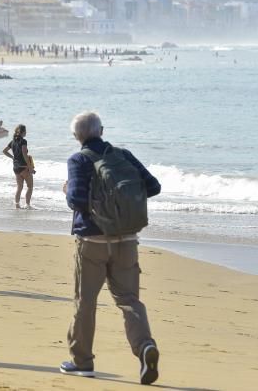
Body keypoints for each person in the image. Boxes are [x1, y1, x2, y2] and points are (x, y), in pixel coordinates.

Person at [60, 111, 161, 384]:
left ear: (76, 136)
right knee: (129, 301)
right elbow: (153, 187)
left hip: (92, 241)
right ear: (101, 130)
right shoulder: (124, 156)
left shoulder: (78, 159)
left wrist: (67, 188)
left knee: (86, 302)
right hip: (127, 239)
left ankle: (82, 361)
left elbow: (76, 199)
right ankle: (145, 347)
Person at [2, 124, 34, 209]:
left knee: (19, 187)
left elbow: (4, 151)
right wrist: (30, 166)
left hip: (16, 167)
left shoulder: (12, 142)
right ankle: (27, 205)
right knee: (30, 186)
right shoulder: (23, 141)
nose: (26, 133)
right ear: (23, 132)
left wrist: (13, 157)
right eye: (25, 131)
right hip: (24, 167)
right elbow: (24, 153)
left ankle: (17, 204)